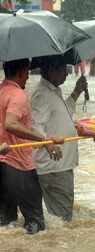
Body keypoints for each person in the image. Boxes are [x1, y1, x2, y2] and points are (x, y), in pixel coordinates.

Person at [0, 59, 63, 234]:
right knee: (36, 226)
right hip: (19, 167)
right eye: (27, 72)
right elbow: (11, 124)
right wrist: (44, 138)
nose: (28, 77)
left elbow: (19, 125)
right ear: (20, 72)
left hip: (2, 164)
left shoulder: (1, 91)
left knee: (6, 223)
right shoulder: (18, 95)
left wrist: (45, 143)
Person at [31, 55, 88, 222]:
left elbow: (64, 114)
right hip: (55, 167)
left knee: (58, 220)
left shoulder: (53, 91)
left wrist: (77, 91)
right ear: (51, 70)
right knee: (63, 219)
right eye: (64, 69)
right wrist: (48, 144)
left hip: (60, 166)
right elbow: (35, 126)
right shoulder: (41, 94)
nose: (67, 74)